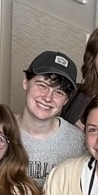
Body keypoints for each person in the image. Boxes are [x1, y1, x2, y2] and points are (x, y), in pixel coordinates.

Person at [17, 51, 87, 181]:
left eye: (59, 92)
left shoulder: (79, 144)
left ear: (66, 100)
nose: (48, 98)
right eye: (42, 86)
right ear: (25, 82)